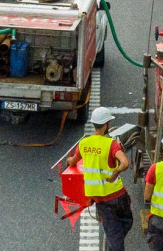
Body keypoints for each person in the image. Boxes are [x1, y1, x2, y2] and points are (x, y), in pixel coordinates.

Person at [67, 107, 133, 251]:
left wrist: (68, 159)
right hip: (116, 195)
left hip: (99, 197)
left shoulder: (84, 144)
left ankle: (112, 243)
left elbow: (73, 161)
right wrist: (116, 172)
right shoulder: (111, 144)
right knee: (124, 224)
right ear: (106, 125)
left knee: (114, 231)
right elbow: (125, 163)